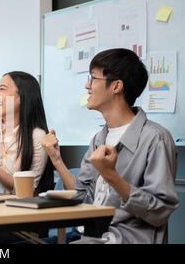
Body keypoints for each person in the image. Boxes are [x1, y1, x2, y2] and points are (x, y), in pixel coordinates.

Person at [41, 48, 179, 244]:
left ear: (116, 86)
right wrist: (56, 159)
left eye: (92, 78)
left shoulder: (155, 139)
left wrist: (111, 176)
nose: (86, 86)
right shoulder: (100, 138)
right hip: (91, 236)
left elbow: (160, 212)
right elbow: (84, 200)